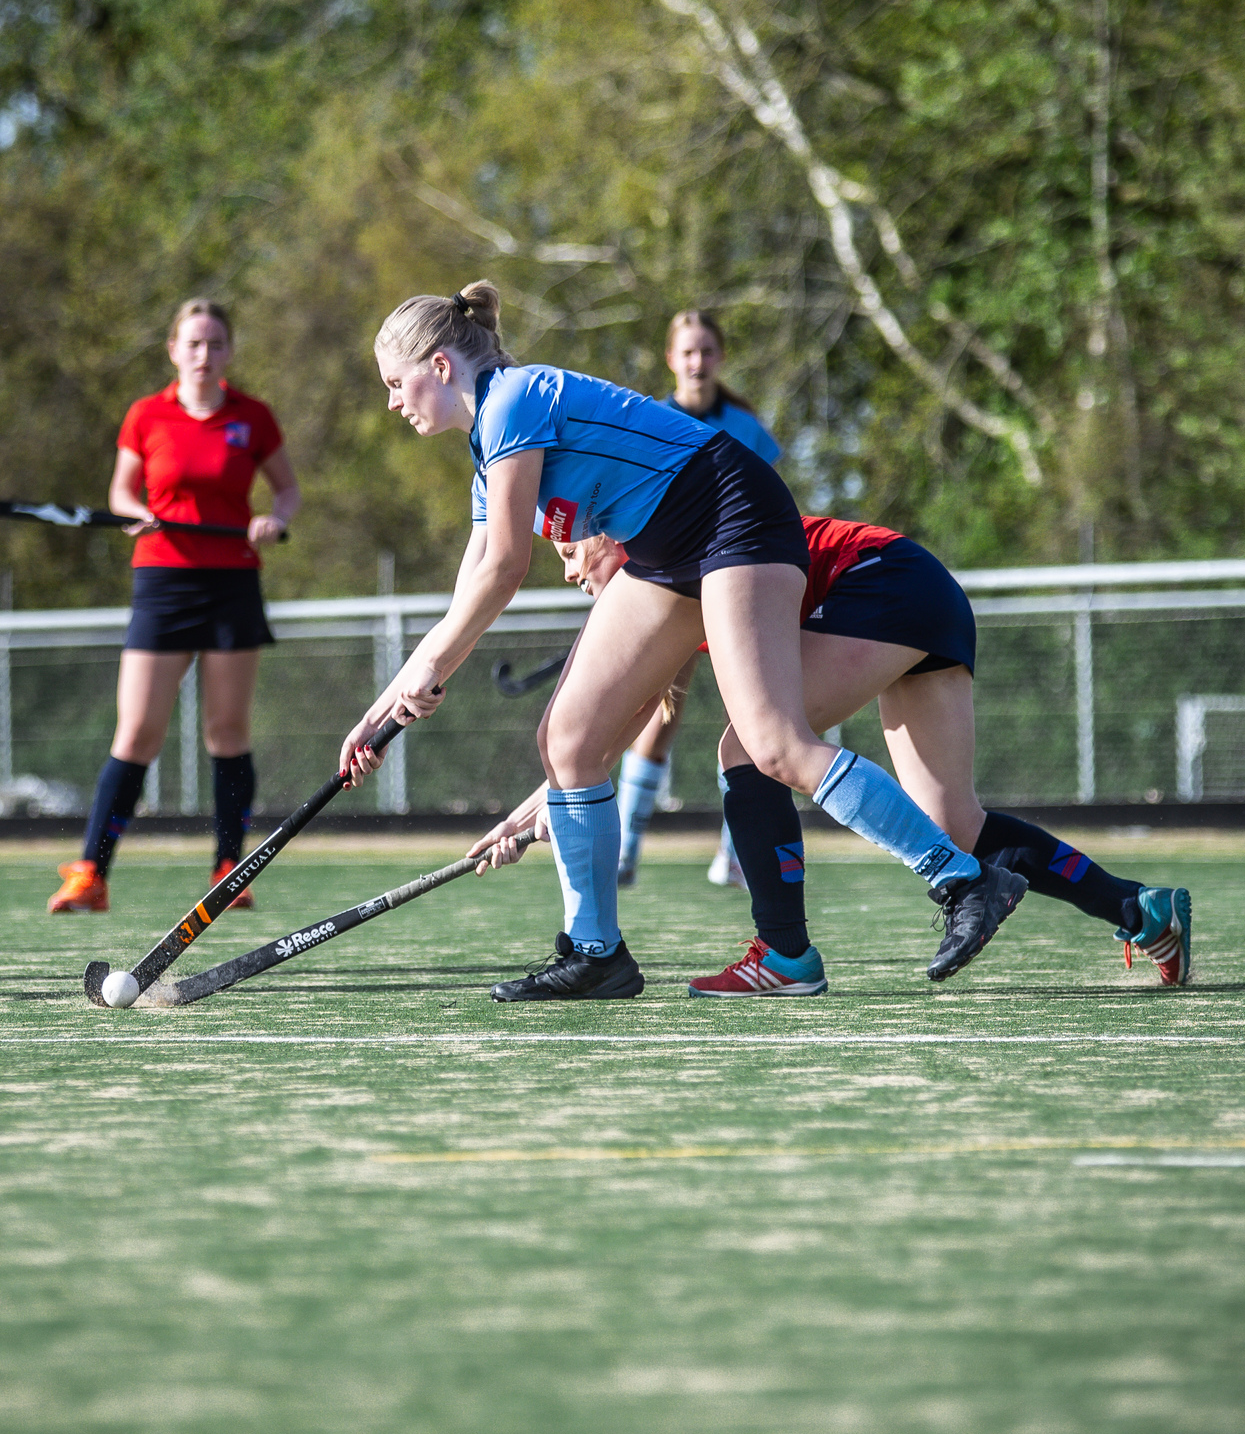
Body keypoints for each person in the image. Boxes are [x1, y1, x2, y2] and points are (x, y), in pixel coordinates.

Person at [338, 280, 1023, 1001]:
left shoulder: (512, 400)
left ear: (440, 367)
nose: (392, 402)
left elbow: (506, 568)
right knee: (568, 740)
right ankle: (597, 954)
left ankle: (964, 881)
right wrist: (380, 713)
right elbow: (471, 576)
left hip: (732, 516)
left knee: (772, 744)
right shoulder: (488, 444)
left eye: (394, 382)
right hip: (663, 549)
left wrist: (433, 669)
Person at [479, 521, 1193, 993]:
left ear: (612, 539)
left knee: (751, 750)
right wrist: (530, 814)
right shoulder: (666, 580)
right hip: (923, 587)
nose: (570, 572)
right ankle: (1141, 908)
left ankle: (784, 954)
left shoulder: (667, 561)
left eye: (571, 553)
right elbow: (619, 725)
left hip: (877, 582)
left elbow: (616, 722)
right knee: (957, 826)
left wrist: (546, 803)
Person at [50, 298, 299, 916]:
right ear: (173, 350)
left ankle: (228, 870)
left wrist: (274, 520)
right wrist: (137, 516)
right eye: (193, 343)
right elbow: (121, 491)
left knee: (227, 731)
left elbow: (287, 489)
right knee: (136, 731)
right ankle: (91, 875)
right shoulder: (146, 415)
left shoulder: (253, 417)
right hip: (163, 581)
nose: (204, 354)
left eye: (215, 343)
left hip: (232, 582)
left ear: (229, 352)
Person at [617, 311, 781, 888]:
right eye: (687, 352)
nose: (697, 362)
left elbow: (774, 505)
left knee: (752, 714)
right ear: (671, 359)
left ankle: (735, 853)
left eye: (707, 350)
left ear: (720, 356)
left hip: (739, 584)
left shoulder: (748, 426)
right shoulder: (649, 418)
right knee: (659, 717)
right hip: (678, 583)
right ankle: (625, 850)